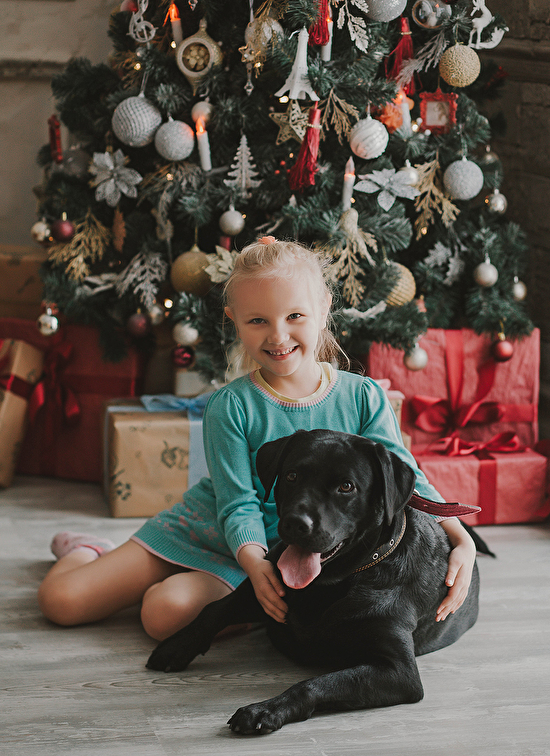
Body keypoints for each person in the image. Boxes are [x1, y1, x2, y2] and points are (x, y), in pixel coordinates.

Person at [38, 237, 476, 641]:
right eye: (258, 320)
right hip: (207, 531)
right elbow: (237, 503)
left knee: (162, 615)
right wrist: (252, 560)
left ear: (324, 307)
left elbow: (404, 475)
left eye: (294, 316)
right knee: (61, 602)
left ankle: (237, 603)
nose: (278, 336)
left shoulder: (363, 395)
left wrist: (460, 536)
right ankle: (89, 549)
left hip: (276, 554)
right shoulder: (230, 405)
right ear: (234, 321)